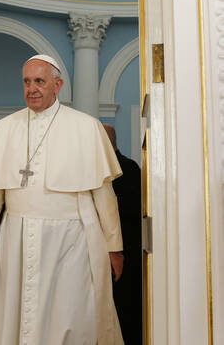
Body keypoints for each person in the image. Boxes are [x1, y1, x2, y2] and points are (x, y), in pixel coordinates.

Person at [0, 54, 125, 345]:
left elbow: (104, 196)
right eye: (27, 82)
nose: (32, 89)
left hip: (71, 241)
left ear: (58, 85)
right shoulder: (4, 129)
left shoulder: (86, 127)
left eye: (39, 81)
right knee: (15, 314)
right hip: (15, 239)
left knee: (69, 315)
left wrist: (114, 247)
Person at [103, 124, 142, 345]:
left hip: (126, 253)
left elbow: (130, 209)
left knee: (125, 312)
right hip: (104, 252)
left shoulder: (129, 168)